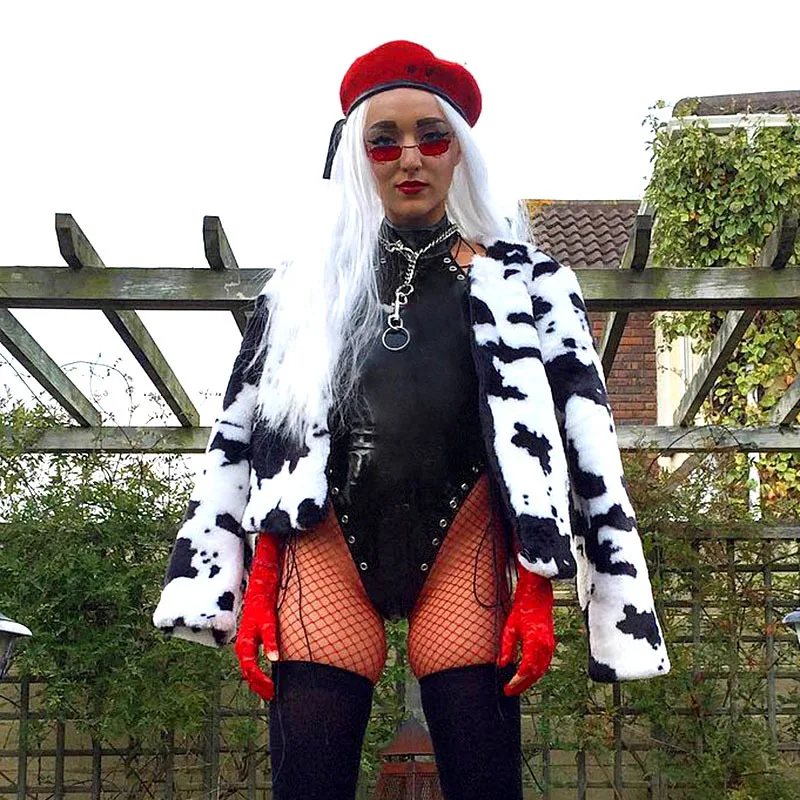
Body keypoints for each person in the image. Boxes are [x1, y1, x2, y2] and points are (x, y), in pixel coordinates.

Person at [153, 40, 671, 800]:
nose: (410, 159)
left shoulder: (528, 284)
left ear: (459, 152)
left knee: (484, 777)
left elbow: (583, 440)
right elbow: (247, 436)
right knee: (308, 782)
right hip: (323, 543)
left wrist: (539, 583)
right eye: (383, 141)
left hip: (463, 539)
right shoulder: (302, 292)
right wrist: (255, 573)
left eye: (432, 137)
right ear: (357, 156)